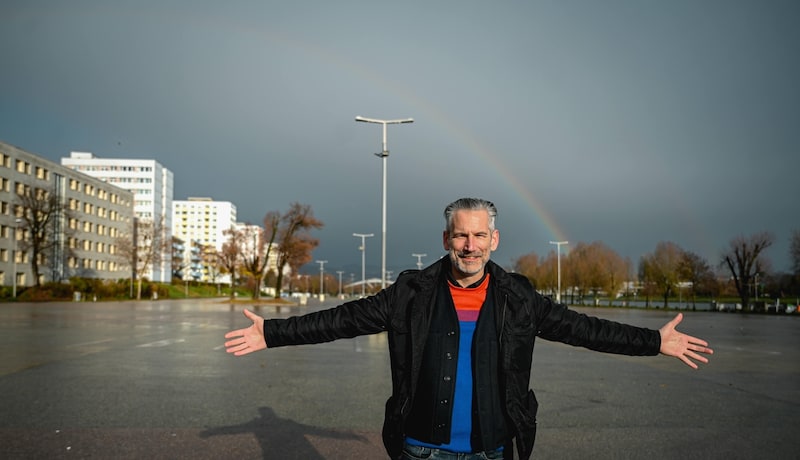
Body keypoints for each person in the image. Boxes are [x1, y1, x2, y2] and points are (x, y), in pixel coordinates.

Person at [224, 197, 713, 460]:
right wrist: (273, 333)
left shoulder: (518, 297)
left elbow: (583, 328)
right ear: (446, 238)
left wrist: (655, 341)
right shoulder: (412, 294)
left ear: (494, 239)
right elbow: (344, 318)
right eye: (461, 234)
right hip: (421, 450)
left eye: (480, 235)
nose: (470, 244)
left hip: (493, 450)